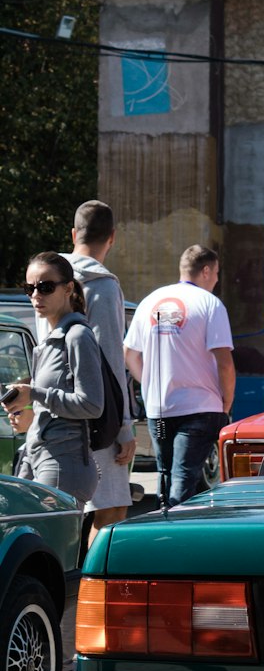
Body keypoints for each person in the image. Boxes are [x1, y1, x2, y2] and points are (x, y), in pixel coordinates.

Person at [124, 245, 235, 506]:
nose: (217, 279)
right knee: (184, 478)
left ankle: (170, 527)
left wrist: (149, 383)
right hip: (200, 409)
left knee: (166, 473)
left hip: (159, 411)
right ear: (206, 270)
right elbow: (225, 363)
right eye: (216, 273)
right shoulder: (210, 304)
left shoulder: (150, 301)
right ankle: (175, 534)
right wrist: (226, 403)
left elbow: (129, 354)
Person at [6, 253, 104, 509]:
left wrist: (35, 394)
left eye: (46, 287)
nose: (36, 295)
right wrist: (26, 407)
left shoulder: (78, 336)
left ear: (68, 288)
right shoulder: (50, 340)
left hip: (64, 464)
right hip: (38, 457)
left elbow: (92, 404)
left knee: (52, 548)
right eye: (29, 288)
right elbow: (49, 404)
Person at [60, 200, 134, 534]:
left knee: (67, 516)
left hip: (58, 406)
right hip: (96, 413)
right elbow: (110, 360)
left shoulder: (49, 278)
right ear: (113, 238)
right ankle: (94, 588)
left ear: (74, 234)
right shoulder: (102, 285)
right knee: (112, 512)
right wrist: (124, 428)